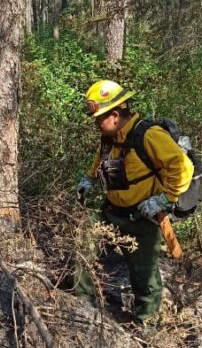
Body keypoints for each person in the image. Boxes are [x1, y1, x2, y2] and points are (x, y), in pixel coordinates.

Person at [74, 79, 194, 325]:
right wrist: (88, 179)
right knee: (83, 241)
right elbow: (101, 160)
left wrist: (165, 198)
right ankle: (80, 305)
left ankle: (146, 323)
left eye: (99, 119)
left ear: (115, 115)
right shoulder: (109, 136)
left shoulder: (149, 135)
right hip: (110, 211)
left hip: (141, 218)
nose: (96, 124)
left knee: (144, 275)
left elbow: (183, 167)